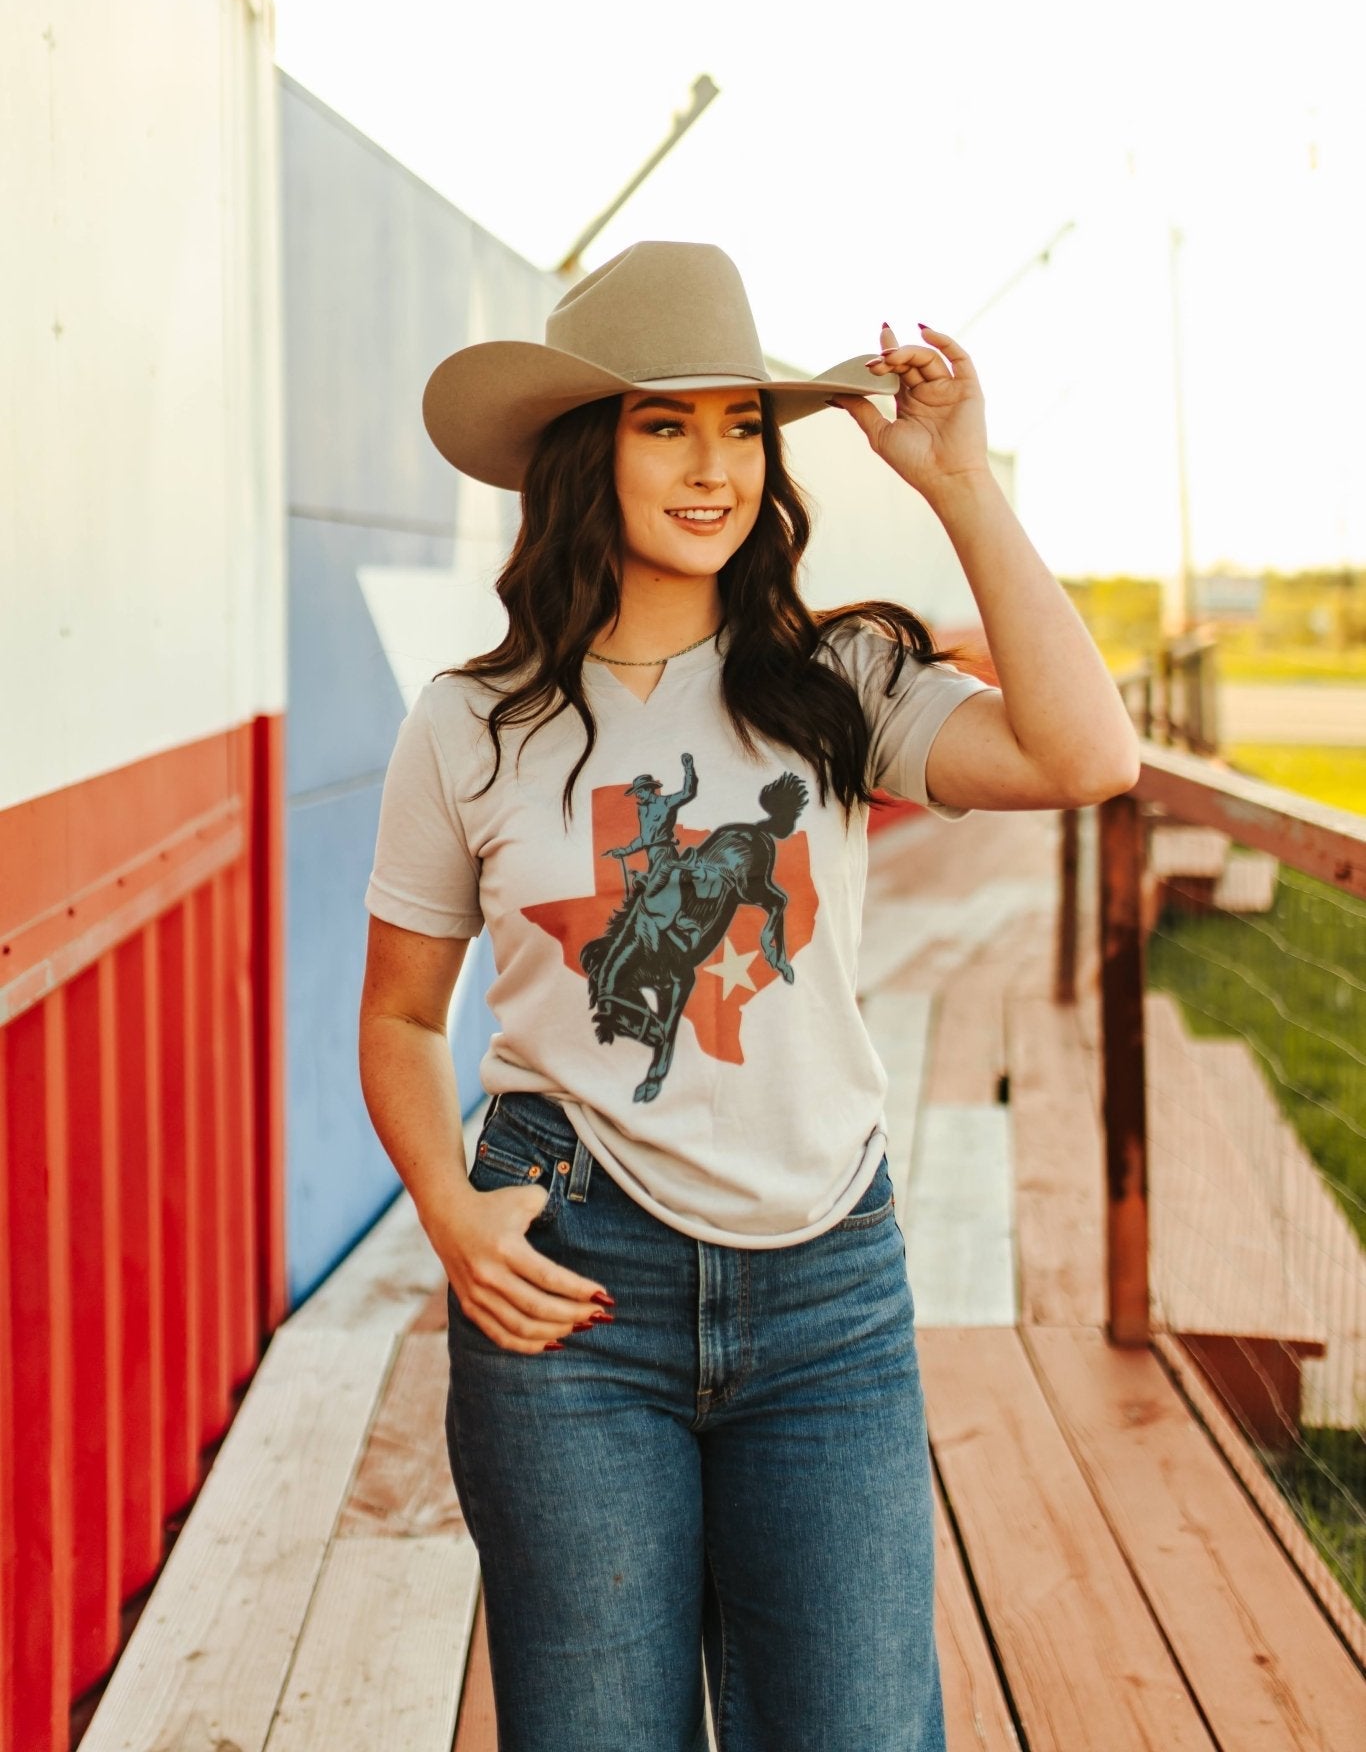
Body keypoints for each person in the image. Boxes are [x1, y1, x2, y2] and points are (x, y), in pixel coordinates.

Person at [358, 239, 1141, 1751]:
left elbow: (1086, 756)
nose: (714, 466)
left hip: (826, 1297)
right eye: (666, 425)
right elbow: (399, 1016)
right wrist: (449, 1213)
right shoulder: (469, 724)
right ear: (584, 451)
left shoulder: (834, 681)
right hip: (569, 1288)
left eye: (741, 427)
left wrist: (962, 488)